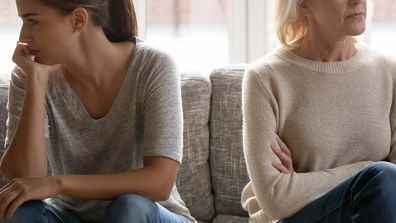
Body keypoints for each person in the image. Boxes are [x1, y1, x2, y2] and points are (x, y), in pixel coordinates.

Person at [0, 0, 196, 222]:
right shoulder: (29, 74)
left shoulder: (152, 65)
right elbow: (23, 180)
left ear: (78, 20)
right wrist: (36, 81)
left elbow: (160, 182)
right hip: (71, 216)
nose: (23, 36)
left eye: (32, 21)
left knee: (130, 206)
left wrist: (58, 183)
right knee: (16, 209)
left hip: (147, 215)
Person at [241, 0, 396, 222]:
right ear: (303, 5)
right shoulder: (264, 78)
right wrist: (369, 169)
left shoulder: (389, 71)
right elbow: (276, 198)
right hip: (297, 218)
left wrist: (301, 183)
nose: (358, 1)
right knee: (384, 178)